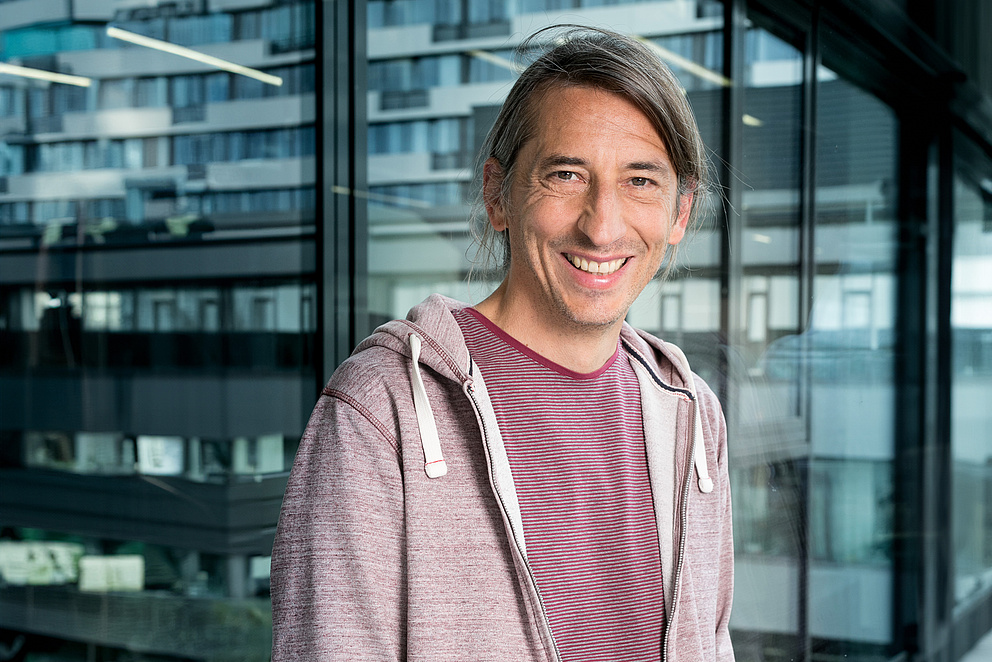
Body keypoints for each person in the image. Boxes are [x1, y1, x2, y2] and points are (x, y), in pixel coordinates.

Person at [271, 25, 734, 662]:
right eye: (566, 175)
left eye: (640, 181)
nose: (602, 226)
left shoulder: (692, 413)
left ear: (679, 214)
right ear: (498, 195)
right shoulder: (379, 415)